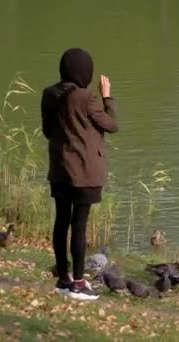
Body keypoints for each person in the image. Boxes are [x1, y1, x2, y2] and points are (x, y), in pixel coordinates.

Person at [41, 48, 118, 300]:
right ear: (85, 72)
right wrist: (107, 97)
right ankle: (79, 283)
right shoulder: (86, 97)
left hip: (60, 169)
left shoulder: (49, 94)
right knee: (79, 225)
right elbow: (112, 124)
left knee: (61, 222)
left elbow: (47, 131)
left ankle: (63, 279)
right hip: (85, 171)